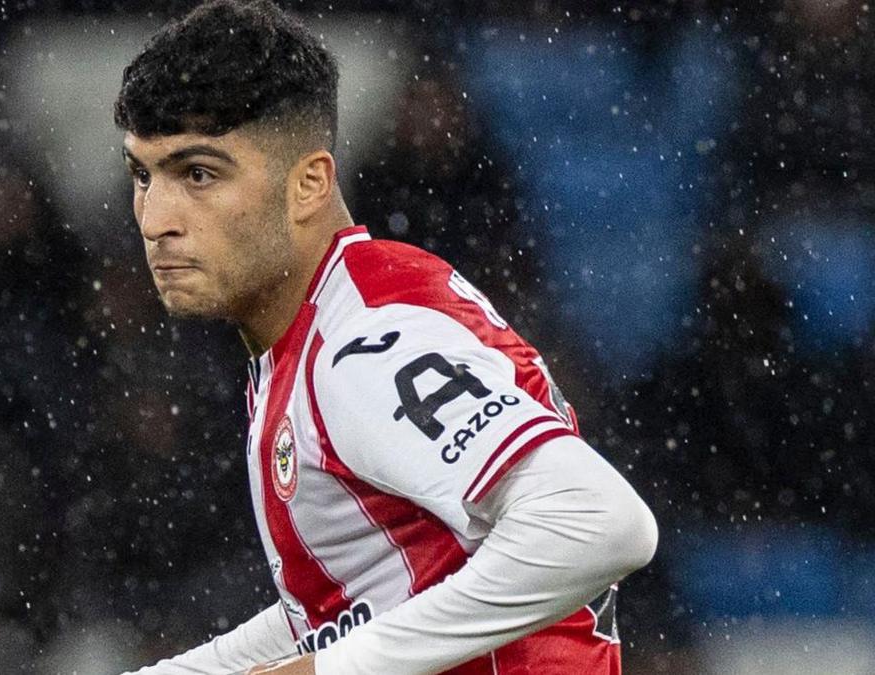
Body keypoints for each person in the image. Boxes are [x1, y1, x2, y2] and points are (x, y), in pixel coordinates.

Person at [113, 1, 658, 673]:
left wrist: (329, 671)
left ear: (308, 183)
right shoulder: (316, 330)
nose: (157, 218)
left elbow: (598, 524)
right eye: (144, 175)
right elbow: (344, 611)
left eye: (198, 174)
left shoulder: (368, 341)